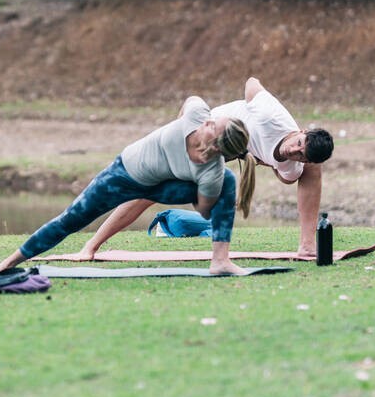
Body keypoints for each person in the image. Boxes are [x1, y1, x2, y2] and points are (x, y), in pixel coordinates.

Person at [74, 77, 334, 260]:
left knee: (313, 171)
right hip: (213, 134)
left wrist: (256, 157)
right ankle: (91, 246)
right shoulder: (271, 115)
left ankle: (307, 246)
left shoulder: (294, 164)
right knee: (149, 190)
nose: (293, 150)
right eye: (298, 143)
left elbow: (287, 177)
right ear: (301, 131)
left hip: (235, 152)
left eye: (301, 154)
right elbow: (252, 82)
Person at [0, 96, 251, 276]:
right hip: (123, 175)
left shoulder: (212, 172)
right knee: (71, 219)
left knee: (228, 180)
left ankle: (220, 262)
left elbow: (206, 210)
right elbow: (191, 99)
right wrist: (177, 124)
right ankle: (7, 263)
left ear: (217, 146)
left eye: (213, 126)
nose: (208, 120)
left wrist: (204, 190)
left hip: (160, 186)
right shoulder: (196, 115)